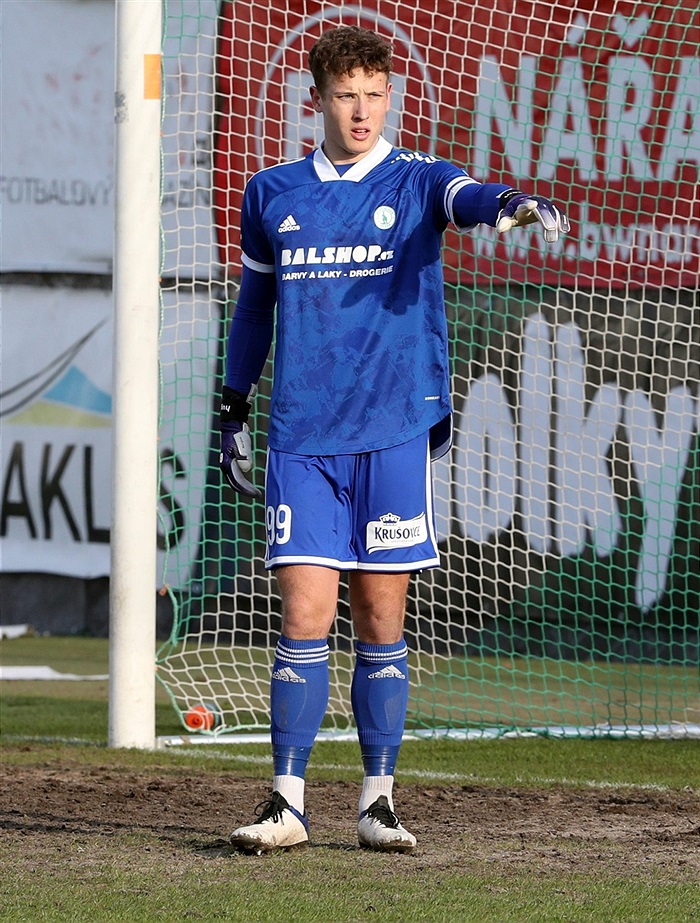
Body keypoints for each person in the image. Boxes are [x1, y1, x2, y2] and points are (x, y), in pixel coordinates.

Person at [219, 25, 568, 854]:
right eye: (347, 95)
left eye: (376, 94)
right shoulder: (272, 192)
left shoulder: (414, 182)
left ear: (390, 97)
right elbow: (254, 310)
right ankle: (287, 802)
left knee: (380, 616)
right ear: (319, 101)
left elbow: (467, 194)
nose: (363, 109)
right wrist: (231, 406)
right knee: (303, 612)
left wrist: (510, 202)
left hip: (392, 434)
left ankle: (377, 800)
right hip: (302, 434)